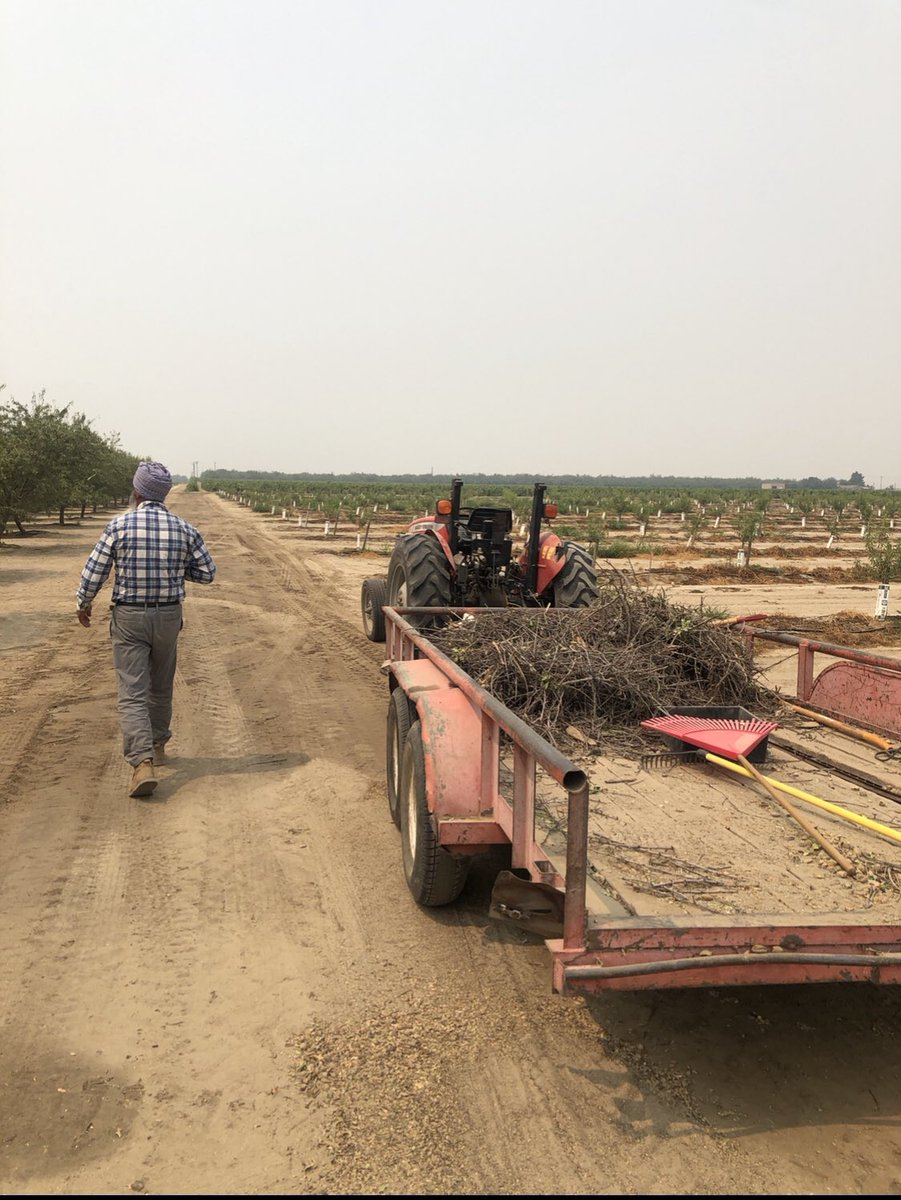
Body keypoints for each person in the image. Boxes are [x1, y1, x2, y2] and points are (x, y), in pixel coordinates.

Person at [75, 461, 216, 798]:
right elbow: (208, 572)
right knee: (161, 684)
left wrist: (84, 602)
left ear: (136, 492)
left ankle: (142, 762)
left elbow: (95, 571)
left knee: (132, 690)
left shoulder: (119, 525)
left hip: (130, 618)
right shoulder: (183, 528)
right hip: (168, 617)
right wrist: (176, 573)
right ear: (162, 494)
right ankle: (158, 743)